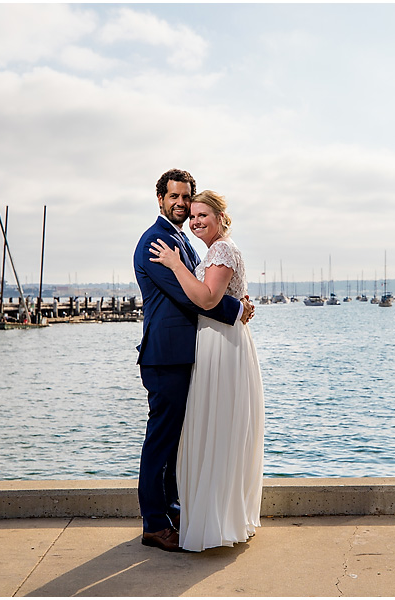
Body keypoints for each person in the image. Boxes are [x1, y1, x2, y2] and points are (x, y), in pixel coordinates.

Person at [134, 169, 255, 553]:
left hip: (188, 354)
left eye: (186, 198)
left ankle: (173, 510)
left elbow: (202, 286)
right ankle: (154, 523)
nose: (182, 205)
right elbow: (192, 297)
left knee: (177, 442)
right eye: (175, 197)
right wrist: (237, 308)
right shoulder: (156, 242)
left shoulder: (182, 241)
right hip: (165, 356)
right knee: (161, 441)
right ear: (160, 199)